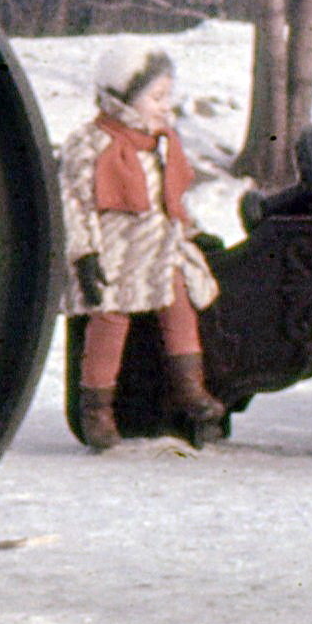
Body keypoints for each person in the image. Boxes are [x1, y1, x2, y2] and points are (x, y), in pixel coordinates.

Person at [60, 37, 225, 449]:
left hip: (159, 246)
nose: (165, 106)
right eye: (156, 96)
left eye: (167, 96)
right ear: (124, 97)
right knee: (110, 321)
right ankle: (96, 408)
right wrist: (84, 252)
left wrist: (190, 229)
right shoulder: (91, 143)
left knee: (180, 302)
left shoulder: (158, 142)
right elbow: (75, 203)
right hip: (115, 250)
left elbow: (171, 198)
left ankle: (189, 387)